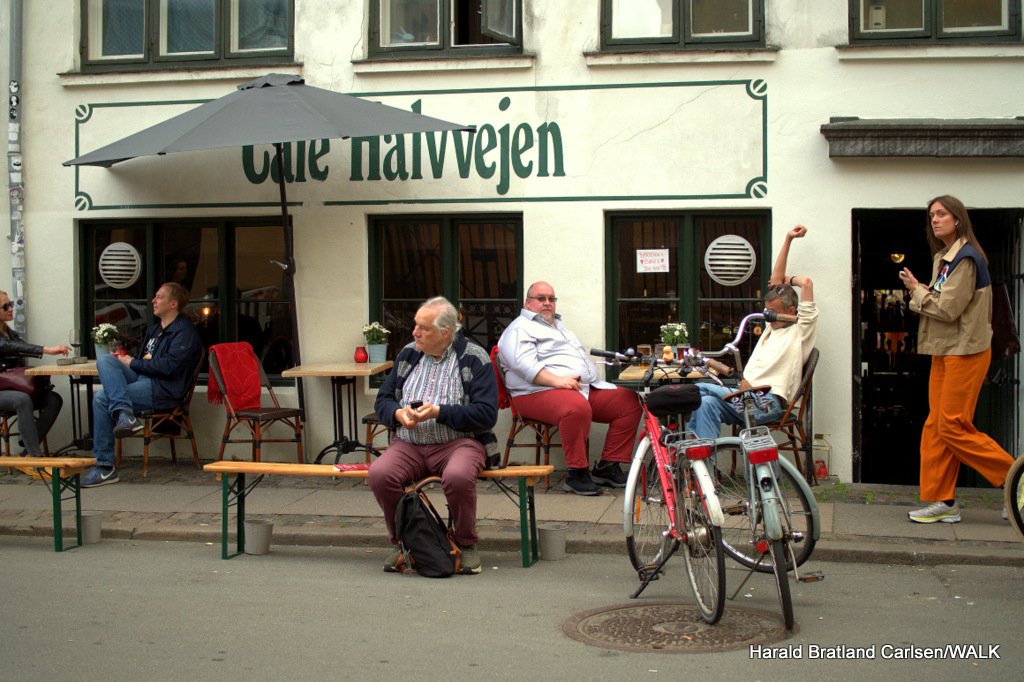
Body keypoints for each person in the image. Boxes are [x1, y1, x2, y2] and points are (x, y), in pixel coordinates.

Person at [899, 195, 1014, 524]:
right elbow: (943, 300)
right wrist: (922, 290)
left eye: (941, 214)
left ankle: (1015, 477)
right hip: (947, 349)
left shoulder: (965, 258)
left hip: (966, 351)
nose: (934, 220)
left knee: (951, 424)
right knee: (936, 425)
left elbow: (948, 309)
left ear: (958, 220)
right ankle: (943, 500)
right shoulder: (945, 257)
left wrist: (917, 292)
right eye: (931, 215)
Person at [368, 296, 498, 574]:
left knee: (458, 476)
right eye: (416, 325)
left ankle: (466, 544)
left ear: (445, 332)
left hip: (459, 443)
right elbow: (383, 399)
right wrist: (398, 414)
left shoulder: (475, 358)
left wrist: (439, 412)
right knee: (380, 474)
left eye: (423, 328)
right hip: (410, 444)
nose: (414, 332)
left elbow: (487, 414)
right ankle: (405, 542)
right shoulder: (408, 354)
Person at [498, 282, 643, 496]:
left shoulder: (559, 326)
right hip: (534, 393)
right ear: (528, 303)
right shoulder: (519, 329)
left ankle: (608, 466)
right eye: (541, 298)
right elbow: (524, 365)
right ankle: (577, 474)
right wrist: (558, 381)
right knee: (576, 407)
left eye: (551, 299)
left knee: (629, 402)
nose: (547, 303)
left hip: (577, 388)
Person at [686, 225, 818, 441]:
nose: (767, 316)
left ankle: (685, 446)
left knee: (696, 389)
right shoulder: (771, 327)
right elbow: (775, 283)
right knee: (704, 403)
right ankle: (702, 461)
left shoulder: (800, 331)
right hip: (745, 398)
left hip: (766, 403)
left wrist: (791, 279)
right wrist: (788, 239)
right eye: (767, 311)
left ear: (791, 311)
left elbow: (807, 283)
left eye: (772, 313)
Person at [82, 282, 202, 487]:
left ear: (173, 304)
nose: (153, 301)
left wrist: (133, 362)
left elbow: (170, 367)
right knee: (105, 360)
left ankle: (105, 467)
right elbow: (141, 361)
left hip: (163, 388)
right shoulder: (154, 330)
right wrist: (128, 361)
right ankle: (125, 414)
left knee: (101, 398)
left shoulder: (185, 332)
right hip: (142, 380)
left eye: (159, 297)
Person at [0, 291, 71, 457]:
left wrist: (46, 351)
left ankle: (27, 450)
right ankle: (35, 457)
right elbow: (10, 347)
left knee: (53, 399)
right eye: (5, 306)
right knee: (22, 400)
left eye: (11, 304)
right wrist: (46, 350)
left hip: (14, 386)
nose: (11, 308)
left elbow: (23, 346)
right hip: (2, 390)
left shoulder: (10, 332)